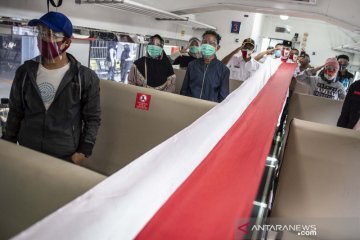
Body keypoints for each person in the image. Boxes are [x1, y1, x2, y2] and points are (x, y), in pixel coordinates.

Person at [2, 12, 101, 164]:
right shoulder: (25, 72)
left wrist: (83, 151)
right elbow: (16, 111)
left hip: (64, 156)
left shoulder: (85, 78)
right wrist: (7, 143)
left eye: (52, 34)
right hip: (27, 151)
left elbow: (92, 118)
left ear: (67, 42)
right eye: (40, 32)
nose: (44, 38)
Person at [180, 30, 229, 102]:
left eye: (211, 43)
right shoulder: (192, 65)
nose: (207, 45)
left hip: (209, 109)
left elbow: (223, 97)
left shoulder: (223, 70)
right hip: (190, 105)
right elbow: (184, 89)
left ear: (217, 48)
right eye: (204, 42)